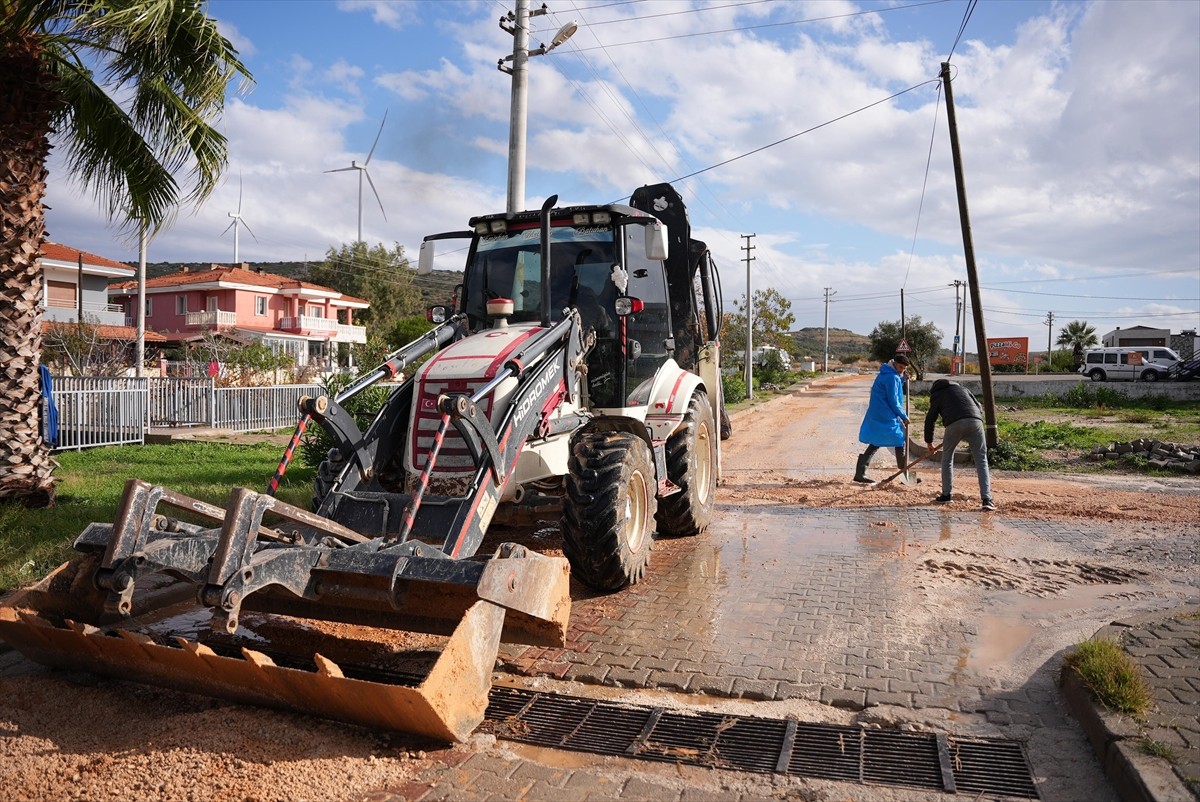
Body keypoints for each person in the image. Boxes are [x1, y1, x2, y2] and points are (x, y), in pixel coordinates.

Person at [923, 378, 995, 511]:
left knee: (947, 458)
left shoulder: (937, 394)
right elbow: (979, 407)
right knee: (981, 460)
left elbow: (930, 419)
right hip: (976, 421)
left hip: (954, 424)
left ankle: (946, 495)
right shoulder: (963, 389)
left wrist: (929, 441)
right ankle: (987, 499)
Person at [853, 354, 914, 484]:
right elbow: (893, 401)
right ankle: (905, 475)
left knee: (876, 442)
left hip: (878, 412)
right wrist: (904, 416)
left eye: (903, 368)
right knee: (899, 440)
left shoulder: (886, 373)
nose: (901, 370)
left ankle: (860, 473)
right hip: (885, 414)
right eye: (900, 367)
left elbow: (889, 388)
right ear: (894, 364)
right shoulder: (892, 377)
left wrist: (902, 379)